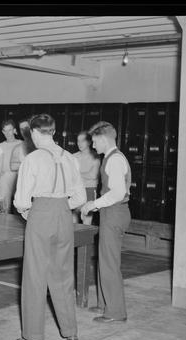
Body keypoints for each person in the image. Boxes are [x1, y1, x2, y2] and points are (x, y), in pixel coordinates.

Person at [13, 114, 87, 340]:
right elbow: (80, 198)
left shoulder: (32, 159)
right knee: (63, 275)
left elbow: (21, 200)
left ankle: (33, 336)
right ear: (52, 132)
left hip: (41, 214)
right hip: (64, 215)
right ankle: (71, 334)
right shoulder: (69, 158)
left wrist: (28, 212)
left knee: (35, 276)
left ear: (35, 133)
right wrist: (62, 207)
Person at [81, 121, 131, 323]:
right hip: (110, 212)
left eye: (94, 142)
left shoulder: (114, 160)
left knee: (110, 262)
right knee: (104, 259)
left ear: (103, 139)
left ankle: (116, 312)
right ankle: (104, 304)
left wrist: (93, 204)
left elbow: (117, 193)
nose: (93, 146)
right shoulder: (110, 158)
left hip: (114, 212)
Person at [73, 131, 100, 224]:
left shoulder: (95, 157)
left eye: (82, 141)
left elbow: (93, 175)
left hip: (89, 191)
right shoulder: (74, 157)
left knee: (87, 221)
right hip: (76, 191)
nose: (79, 143)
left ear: (89, 142)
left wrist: (77, 174)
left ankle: (84, 238)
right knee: (73, 220)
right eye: (78, 141)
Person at [0, 119, 22, 213]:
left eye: (10, 130)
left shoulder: (22, 144)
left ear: (14, 130)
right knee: (4, 208)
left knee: (20, 207)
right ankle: (3, 225)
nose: (8, 133)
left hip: (19, 177)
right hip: (4, 178)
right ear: (3, 132)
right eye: (5, 130)